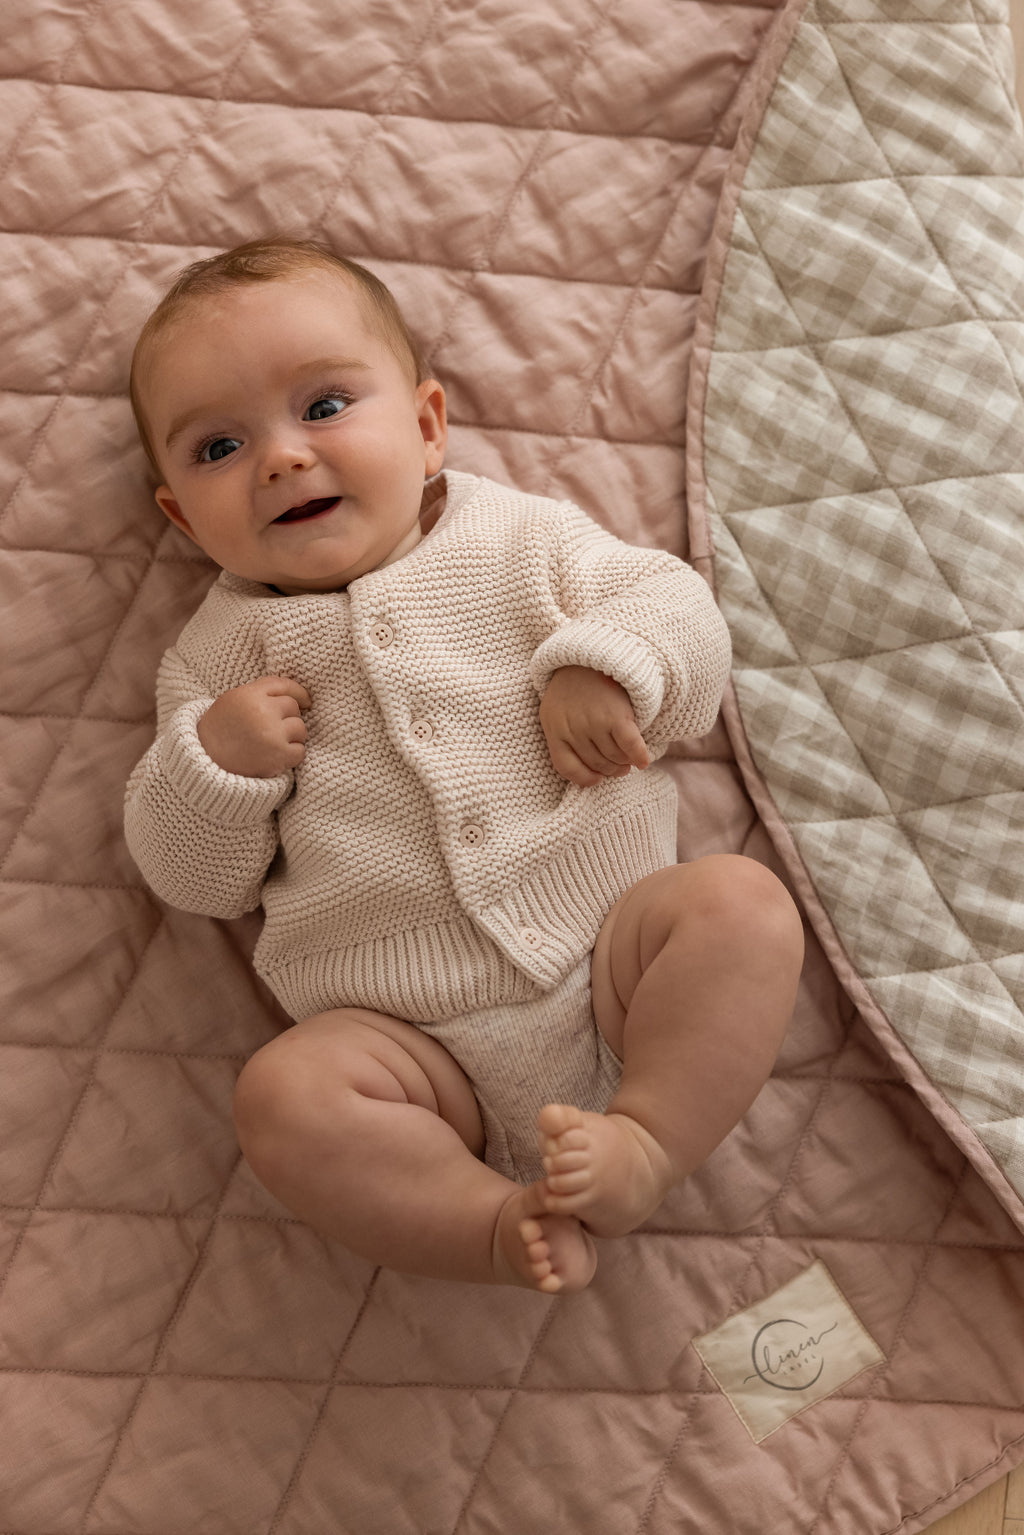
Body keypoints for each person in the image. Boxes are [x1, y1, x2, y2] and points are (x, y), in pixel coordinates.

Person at [124, 238, 804, 1294]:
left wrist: (604, 667)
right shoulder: (213, 660)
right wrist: (217, 764)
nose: (282, 459)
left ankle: (648, 1141)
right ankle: (493, 1222)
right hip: (405, 1048)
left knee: (740, 906)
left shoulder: (519, 541)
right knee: (282, 1096)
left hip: (613, 961)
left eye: (324, 406)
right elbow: (189, 879)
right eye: (216, 448)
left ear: (428, 427)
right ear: (178, 513)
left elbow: (679, 611)